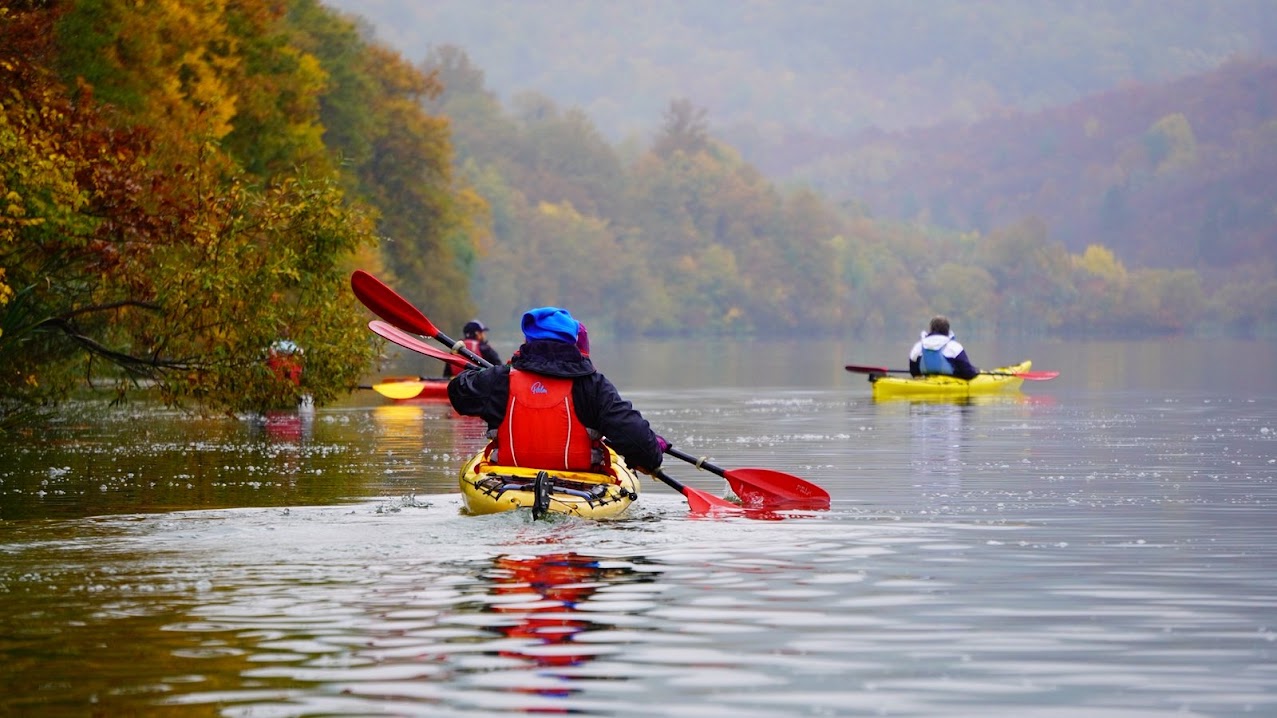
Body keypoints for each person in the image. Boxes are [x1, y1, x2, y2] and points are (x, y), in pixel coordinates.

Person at [447, 306, 666, 475]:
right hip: (579, 489)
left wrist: (491, 373)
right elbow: (642, 449)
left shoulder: (499, 380)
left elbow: (458, 393)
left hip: (507, 484)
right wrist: (653, 449)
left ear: (528, 340)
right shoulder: (593, 385)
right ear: (573, 342)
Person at [909, 315, 980, 380]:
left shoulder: (918, 346)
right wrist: (976, 371)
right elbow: (968, 373)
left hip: (926, 381)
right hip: (951, 382)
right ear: (947, 330)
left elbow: (914, 372)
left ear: (931, 329)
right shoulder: (954, 346)